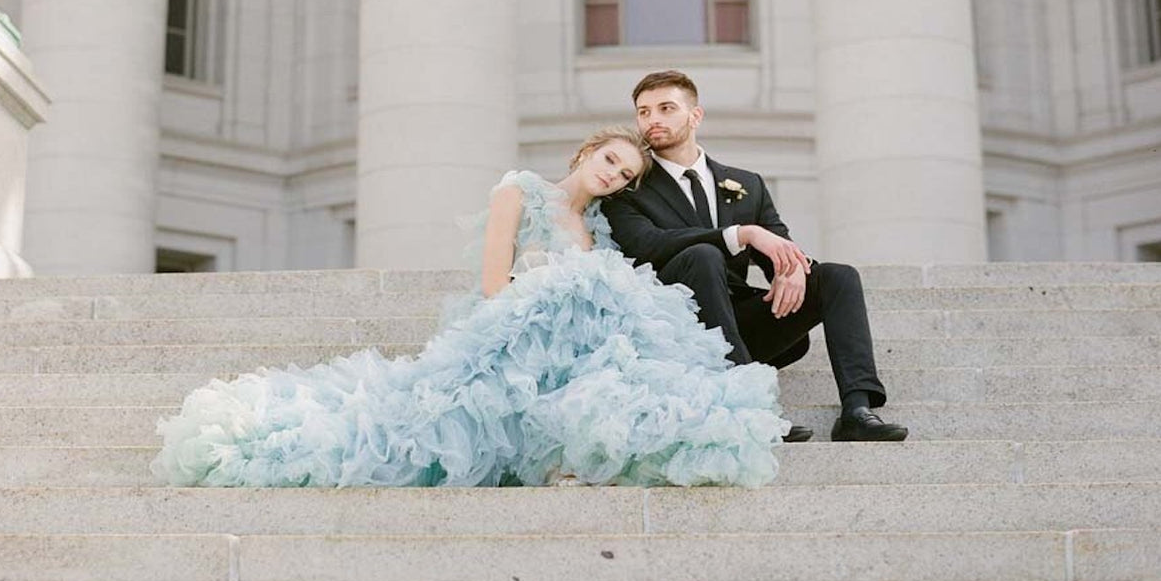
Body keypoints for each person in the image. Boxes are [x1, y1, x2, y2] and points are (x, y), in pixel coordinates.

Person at [153, 126, 791, 488]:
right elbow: (494, 282)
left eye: (624, 175)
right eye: (609, 161)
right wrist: (546, 302)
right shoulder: (520, 191)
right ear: (585, 152)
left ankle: (570, 452)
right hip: (512, 328)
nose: (613, 176)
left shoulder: (602, 226)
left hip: (576, 337)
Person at [604, 71, 908, 443]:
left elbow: (778, 245)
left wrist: (792, 268)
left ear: (695, 116)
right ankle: (751, 408)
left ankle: (858, 410)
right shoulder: (628, 185)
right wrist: (738, 234)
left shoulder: (746, 184)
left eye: (666, 108)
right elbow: (647, 244)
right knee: (703, 255)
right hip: (677, 330)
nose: (653, 120)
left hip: (744, 327)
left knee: (837, 276)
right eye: (644, 112)